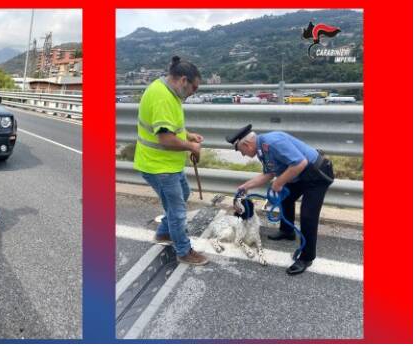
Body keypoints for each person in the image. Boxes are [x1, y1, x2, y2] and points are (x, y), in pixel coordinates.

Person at [226, 124, 334, 275]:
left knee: (308, 216)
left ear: (246, 144)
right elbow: (269, 174)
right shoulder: (262, 150)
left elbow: (300, 163)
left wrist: (279, 182)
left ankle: (307, 257)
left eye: (241, 151)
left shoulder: (273, 142)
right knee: (286, 198)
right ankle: (287, 231)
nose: (243, 155)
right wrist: (245, 186)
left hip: (317, 174)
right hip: (301, 174)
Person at [133, 56, 209, 266]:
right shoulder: (163, 97)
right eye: (194, 88)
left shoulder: (168, 91)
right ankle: (184, 251)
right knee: (177, 210)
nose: (194, 93)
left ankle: (164, 232)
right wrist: (192, 147)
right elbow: (165, 138)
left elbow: (170, 128)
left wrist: (188, 135)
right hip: (159, 166)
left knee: (183, 194)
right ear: (183, 80)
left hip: (167, 164)